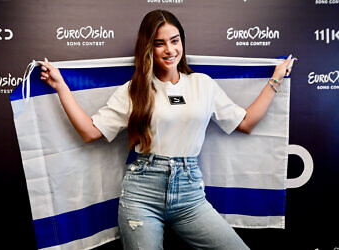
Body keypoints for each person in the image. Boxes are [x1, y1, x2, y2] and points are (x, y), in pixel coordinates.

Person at [38, 9, 293, 250]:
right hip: (142, 193)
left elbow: (246, 123)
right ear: (148, 47)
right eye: (160, 43)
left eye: (175, 40)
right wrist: (61, 86)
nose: (170, 50)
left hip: (190, 193)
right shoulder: (134, 90)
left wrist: (275, 79)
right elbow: (90, 132)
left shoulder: (202, 85)